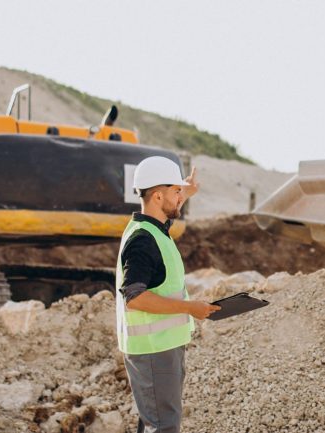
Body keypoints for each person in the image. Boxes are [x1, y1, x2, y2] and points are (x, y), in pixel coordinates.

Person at [115, 156, 220, 433]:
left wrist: (186, 188)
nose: (180, 198)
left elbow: (171, 197)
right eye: (175, 192)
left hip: (161, 347)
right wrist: (189, 308)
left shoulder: (154, 228)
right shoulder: (143, 241)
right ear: (159, 196)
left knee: (156, 421)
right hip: (153, 350)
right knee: (163, 426)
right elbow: (134, 297)